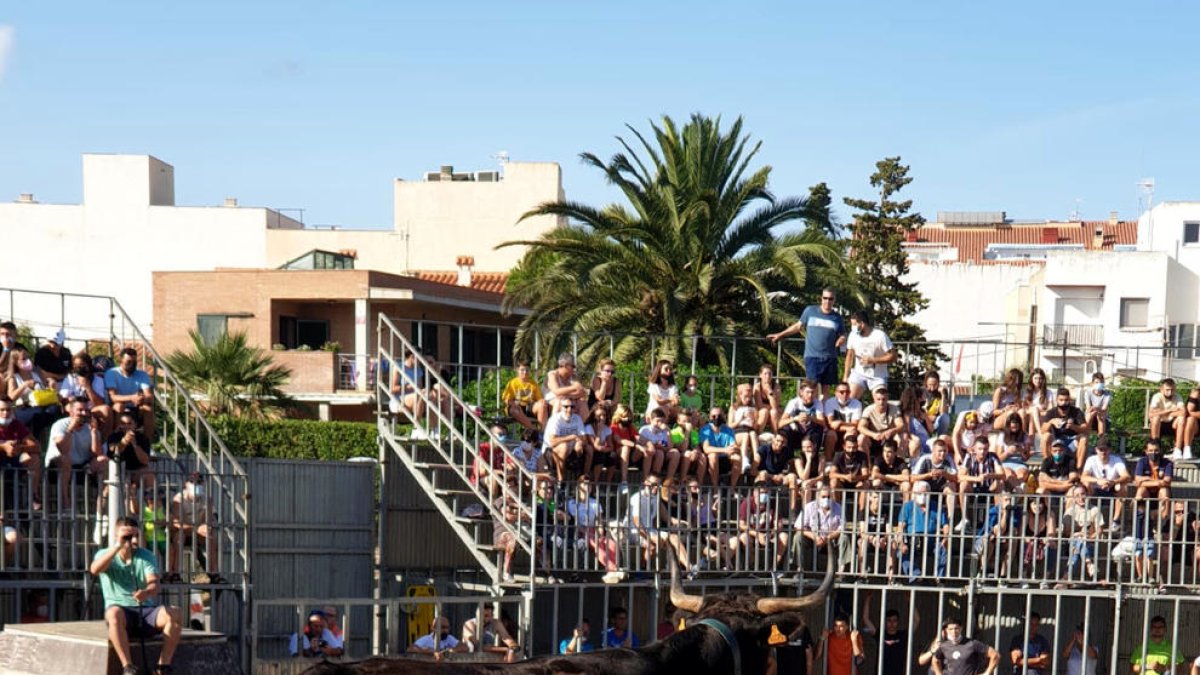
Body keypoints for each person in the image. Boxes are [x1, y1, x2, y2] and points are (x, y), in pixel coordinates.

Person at [89, 517, 183, 675]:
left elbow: (154, 583)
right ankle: (128, 666)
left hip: (145, 611)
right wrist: (118, 547)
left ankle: (162, 666)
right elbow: (95, 570)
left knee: (175, 613)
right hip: (121, 613)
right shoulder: (104, 554)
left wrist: (146, 592)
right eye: (127, 536)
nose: (132, 540)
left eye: (135, 536)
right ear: (116, 535)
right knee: (113, 613)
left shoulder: (146, 555)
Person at [767, 287, 846, 399]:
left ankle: (821, 413)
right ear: (821, 298)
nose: (827, 301)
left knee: (825, 390)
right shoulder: (810, 311)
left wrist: (842, 338)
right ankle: (809, 412)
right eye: (825, 298)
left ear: (834, 300)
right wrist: (780, 335)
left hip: (830, 357)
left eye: (830, 299)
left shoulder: (837, 317)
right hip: (812, 357)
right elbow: (797, 326)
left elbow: (843, 333)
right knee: (810, 388)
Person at [46, 397, 107, 508]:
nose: (83, 413)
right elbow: (63, 450)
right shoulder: (60, 425)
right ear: (71, 410)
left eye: (86, 411)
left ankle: (102, 502)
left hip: (82, 468)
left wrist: (94, 433)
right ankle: (65, 503)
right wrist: (70, 429)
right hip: (58, 467)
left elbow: (97, 454)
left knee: (103, 460)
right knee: (65, 459)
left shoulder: (92, 427)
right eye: (80, 410)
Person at [169, 474, 222, 584]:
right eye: (193, 482)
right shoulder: (178, 499)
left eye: (199, 482)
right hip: (184, 532)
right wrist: (197, 529)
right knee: (179, 538)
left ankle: (214, 574)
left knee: (211, 539)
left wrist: (207, 527)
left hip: (198, 534)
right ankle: (176, 574)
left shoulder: (206, 500)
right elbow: (177, 523)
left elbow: (210, 519)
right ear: (186, 484)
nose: (196, 485)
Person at [897, 481, 950, 580]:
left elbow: (946, 525)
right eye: (919, 493)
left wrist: (945, 538)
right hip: (912, 540)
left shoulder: (936, 506)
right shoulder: (908, 506)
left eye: (925, 493)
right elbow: (901, 526)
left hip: (931, 541)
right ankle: (915, 575)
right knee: (901, 551)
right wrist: (901, 542)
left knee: (942, 548)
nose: (922, 496)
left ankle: (940, 577)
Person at [0, 399, 43, 511]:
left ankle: (33, 496)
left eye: (8, 410)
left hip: (13, 460)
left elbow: (36, 446)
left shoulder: (16, 424)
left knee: (34, 458)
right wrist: (3, 446)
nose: (5, 413)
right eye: (2, 410)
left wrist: (19, 448)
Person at [843, 311, 896, 400]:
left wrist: (873, 360)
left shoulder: (880, 336)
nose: (853, 327)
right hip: (859, 373)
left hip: (877, 376)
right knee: (849, 399)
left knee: (881, 401)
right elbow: (849, 355)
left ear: (862, 323)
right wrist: (845, 376)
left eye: (854, 324)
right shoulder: (853, 335)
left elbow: (893, 356)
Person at [105, 347, 156, 440]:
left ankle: (147, 444)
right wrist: (132, 398)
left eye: (134, 362)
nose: (132, 365)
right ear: (121, 360)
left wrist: (141, 399)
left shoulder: (142, 374)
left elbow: (149, 395)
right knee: (118, 406)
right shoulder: (112, 373)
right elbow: (113, 397)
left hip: (136, 406)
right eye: (128, 362)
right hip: (119, 405)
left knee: (148, 408)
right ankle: (117, 440)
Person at [1080, 441, 1130, 530]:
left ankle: (1116, 521)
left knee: (1123, 487)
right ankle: (1087, 519)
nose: (1103, 452)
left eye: (1105, 449)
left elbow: (1127, 476)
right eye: (1101, 449)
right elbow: (1083, 477)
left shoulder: (1116, 460)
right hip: (1095, 489)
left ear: (1110, 450)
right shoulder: (1091, 460)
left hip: (1111, 488)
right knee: (1085, 484)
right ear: (1096, 450)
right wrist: (1098, 480)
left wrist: (1113, 482)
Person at [1059, 485, 1103, 586]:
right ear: (1074, 498)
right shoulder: (1070, 511)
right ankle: (1089, 564)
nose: (1081, 497)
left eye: (1083, 494)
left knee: (1080, 544)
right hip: (1072, 542)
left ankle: (1066, 577)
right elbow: (1066, 533)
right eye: (1077, 495)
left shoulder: (1095, 510)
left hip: (1090, 543)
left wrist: (1088, 537)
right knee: (1079, 541)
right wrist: (1077, 534)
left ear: (1087, 495)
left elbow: (1099, 531)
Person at [1041, 387, 1088, 469]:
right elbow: (1043, 430)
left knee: (1083, 438)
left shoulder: (1076, 411)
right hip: (1056, 441)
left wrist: (1073, 427)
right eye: (1061, 400)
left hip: (1072, 441)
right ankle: (1048, 466)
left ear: (1069, 400)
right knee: (1045, 437)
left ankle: (1078, 469)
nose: (1064, 403)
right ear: (1057, 400)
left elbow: (1085, 429)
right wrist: (1051, 422)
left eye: (1066, 400)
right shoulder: (1051, 412)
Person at [932, 618, 1000, 675]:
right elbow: (935, 661)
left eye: (956, 628)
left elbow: (995, 655)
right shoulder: (943, 646)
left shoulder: (972, 643)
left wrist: (987, 673)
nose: (954, 632)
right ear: (946, 630)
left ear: (961, 628)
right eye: (951, 629)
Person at [780, 378, 828, 457]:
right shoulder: (794, 403)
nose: (810, 395)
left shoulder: (817, 403)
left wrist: (810, 418)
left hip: (810, 432)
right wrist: (795, 418)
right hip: (796, 431)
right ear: (801, 392)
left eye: (812, 392)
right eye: (808, 392)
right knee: (786, 429)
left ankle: (813, 457)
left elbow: (822, 422)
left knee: (819, 428)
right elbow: (780, 423)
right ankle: (788, 458)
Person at [543, 398, 586, 482]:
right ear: (561, 408)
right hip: (550, 451)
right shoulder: (555, 419)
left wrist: (579, 443)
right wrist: (571, 437)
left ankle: (583, 479)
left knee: (588, 449)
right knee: (564, 446)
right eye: (566, 407)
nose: (569, 409)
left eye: (572, 407)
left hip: (570, 450)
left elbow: (583, 438)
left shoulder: (577, 418)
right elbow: (552, 442)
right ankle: (561, 479)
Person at [541, 352, 589, 427]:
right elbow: (557, 391)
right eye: (572, 366)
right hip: (551, 402)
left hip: (567, 399)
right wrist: (573, 388)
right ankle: (556, 430)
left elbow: (582, 392)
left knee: (582, 403)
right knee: (562, 402)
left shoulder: (572, 377)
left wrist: (568, 396)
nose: (574, 369)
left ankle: (583, 430)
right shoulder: (553, 375)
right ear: (566, 366)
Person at [700, 406, 743, 488]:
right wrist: (725, 450)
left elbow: (733, 446)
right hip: (711, 460)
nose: (716, 418)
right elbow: (706, 449)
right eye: (714, 416)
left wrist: (733, 449)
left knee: (737, 457)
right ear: (710, 417)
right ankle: (715, 488)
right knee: (713, 456)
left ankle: (732, 488)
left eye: (719, 416)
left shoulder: (728, 430)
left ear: (723, 416)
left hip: (726, 458)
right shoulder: (705, 430)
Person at [858, 385, 905, 457]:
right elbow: (860, 427)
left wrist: (892, 431)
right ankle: (866, 465)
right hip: (873, 437)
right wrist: (873, 434)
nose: (881, 402)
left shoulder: (894, 409)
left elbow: (901, 425)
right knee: (861, 438)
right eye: (878, 399)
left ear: (887, 399)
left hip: (889, 437)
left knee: (903, 436)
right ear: (874, 399)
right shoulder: (868, 410)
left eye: (883, 399)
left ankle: (898, 463)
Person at [824, 382, 864, 458]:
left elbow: (855, 424)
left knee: (851, 433)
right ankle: (828, 461)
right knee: (830, 435)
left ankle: (849, 460)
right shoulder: (830, 402)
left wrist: (840, 422)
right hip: (835, 430)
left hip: (847, 430)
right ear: (836, 393)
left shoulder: (857, 403)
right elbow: (830, 424)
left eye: (847, 392)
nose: (845, 394)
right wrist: (846, 427)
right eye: (841, 392)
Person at [1147, 379, 1186, 457]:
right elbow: (1151, 414)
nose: (1170, 392)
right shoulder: (1157, 397)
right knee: (1156, 418)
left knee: (1181, 419)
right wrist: (1170, 410)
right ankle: (1156, 448)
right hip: (1159, 424)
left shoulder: (1178, 397)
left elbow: (1183, 412)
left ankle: (1177, 450)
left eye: (1172, 389)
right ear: (1161, 389)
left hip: (1172, 424)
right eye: (1167, 390)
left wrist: (1162, 412)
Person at [501, 362, 540, 431]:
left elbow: (540, 399)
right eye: (522, 370)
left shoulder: (533, 384)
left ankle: (543, 431)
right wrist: (514, 404)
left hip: (529, 407)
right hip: (516, 406)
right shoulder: (512, 383)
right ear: (517, 371)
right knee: (514, 410)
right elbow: (506, 400)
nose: (525, 372)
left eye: (527, 370)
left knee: (542, 406)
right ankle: (534, 429)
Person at [753, 364, 784, 432]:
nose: (767, 376)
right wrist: (772, 407)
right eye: (765, 374)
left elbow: (775, 406)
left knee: (774, 412)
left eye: (770, 374)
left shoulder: (776, 387)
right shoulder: (757, 387)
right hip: (761, 411)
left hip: (774, 412)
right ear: (760, 375)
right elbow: (760, 405)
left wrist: (770, 391)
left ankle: (776, 435)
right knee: (765, 411)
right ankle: (758, 434)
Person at [922, 371, 954, 437]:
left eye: (935, 385)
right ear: (926, 383)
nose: (932, 388)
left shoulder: (942, 392)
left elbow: (943, 412)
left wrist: (943, 395)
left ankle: (941, 438)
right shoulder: (921, 392)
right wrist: (928, 418)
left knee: (945, 417)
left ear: (938, 383)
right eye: (930, 385)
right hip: (924, 421)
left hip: (936, 422)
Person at [1083, 373, 1111, 437]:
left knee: (1100, 416)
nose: (1099, 384)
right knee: (1089, 415)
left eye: (1101, 382)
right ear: (1092, 383)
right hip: (1091, 415)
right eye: (1097, 382)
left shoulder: (1108, 393)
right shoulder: (1088, 393)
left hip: (1103, 417)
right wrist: (1096, 409)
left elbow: (1104, 409)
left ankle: (1101, 438)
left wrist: (1096, 409)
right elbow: (1088, 408)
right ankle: (1085, 436)